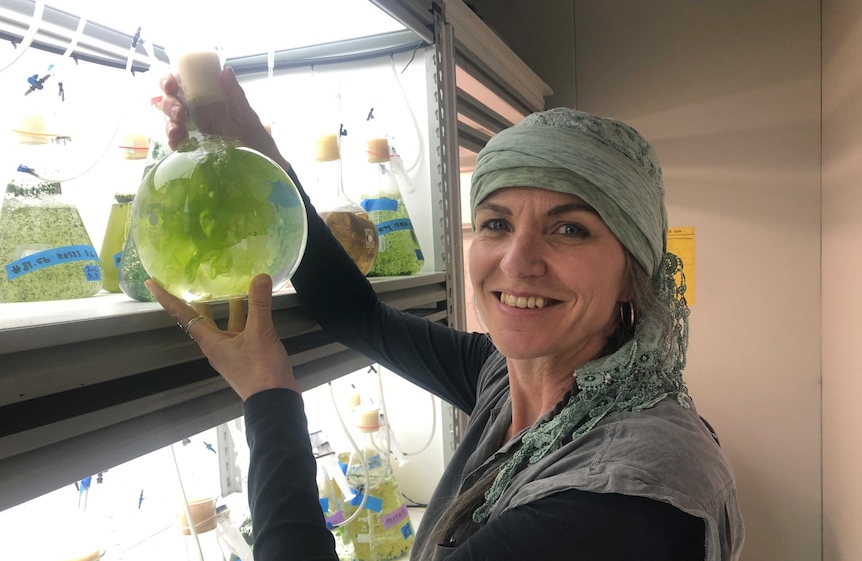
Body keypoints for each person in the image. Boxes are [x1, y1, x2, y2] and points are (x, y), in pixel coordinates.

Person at [147, 67, 745, 561]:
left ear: (633, 276)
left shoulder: (623, 502)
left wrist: (268, 396)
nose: (518, 261)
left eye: (569, 228)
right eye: (496, 223)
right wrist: (261, 154)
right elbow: (362, 318)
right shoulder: (509, 380)